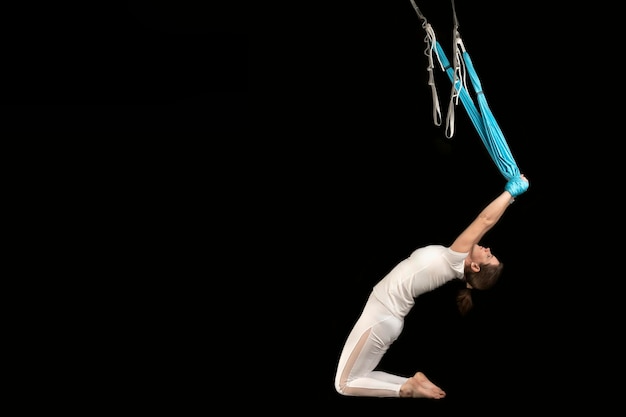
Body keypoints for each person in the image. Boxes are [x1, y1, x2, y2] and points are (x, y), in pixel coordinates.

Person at [334, 174, 529, 399]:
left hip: (381, 314)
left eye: (489, 256)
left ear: (475, 267)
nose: (488, 249)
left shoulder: (454, 258)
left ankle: (406, 389)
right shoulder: (456, 258)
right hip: (385, 316)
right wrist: (509, 200)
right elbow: (488, 224)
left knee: (344, 384)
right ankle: (409, 383)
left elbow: (484, 220)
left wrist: (510, 191)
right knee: (356, 377)